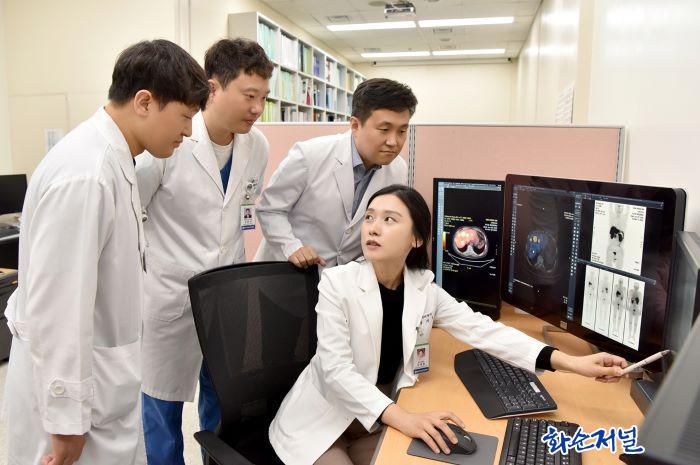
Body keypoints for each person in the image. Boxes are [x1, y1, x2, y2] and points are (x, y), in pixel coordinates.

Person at [268, 185, 628, 465]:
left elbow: (483, 330)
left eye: (389, 220)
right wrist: (404, 418)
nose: (373, 228)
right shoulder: (337, 284)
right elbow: (335, 371)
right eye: (370, 218)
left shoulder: (423, 288)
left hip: (373, 421)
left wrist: (571, 362)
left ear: (416, 238)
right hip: (324, 423)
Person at [3, 40, 209, 465]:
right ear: (145, 102)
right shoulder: (87, 174)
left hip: (106, 386)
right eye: (185, 116)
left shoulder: (116, 159)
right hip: (73, 407)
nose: (189, 132)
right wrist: (66, 422)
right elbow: (58, 309)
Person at [135, 38, 272, 465]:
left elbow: (241, 211)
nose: (257, 108)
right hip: (170, 296)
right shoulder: (170, 141)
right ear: (213, 88)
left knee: (225, 401)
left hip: (227, 296)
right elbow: (130, 214)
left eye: (264, 98)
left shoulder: (257, 146)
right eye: (249, 96)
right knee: (162, 407)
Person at [255, 78, 415, 269]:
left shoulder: (398, 170)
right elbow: (270, 209)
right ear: (355, 125)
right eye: (384, 130)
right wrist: (291, 246)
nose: (393, 142)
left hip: (345, 279)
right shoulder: (309, 155)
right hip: (288, 271)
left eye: (402, 131)